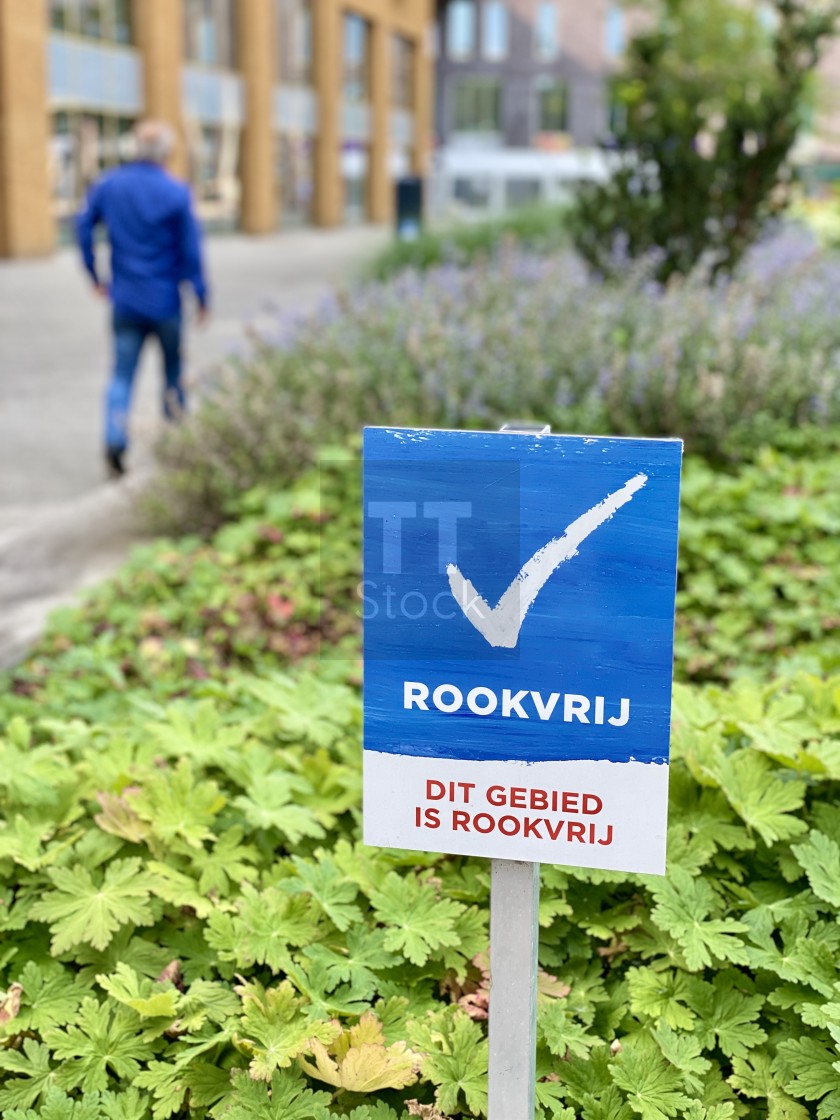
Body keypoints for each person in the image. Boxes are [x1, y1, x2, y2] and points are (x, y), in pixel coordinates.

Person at [76, 120, 209, 477]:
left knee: (121, 376)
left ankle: (115, 441)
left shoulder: (110, 186)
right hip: (166, 301)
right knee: (173, 375)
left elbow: (82, 225)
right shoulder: (176, 191)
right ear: (167, 153)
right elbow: (191, 250)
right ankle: (178, 444)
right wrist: (201, 294)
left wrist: (94, 274)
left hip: (126, 301)